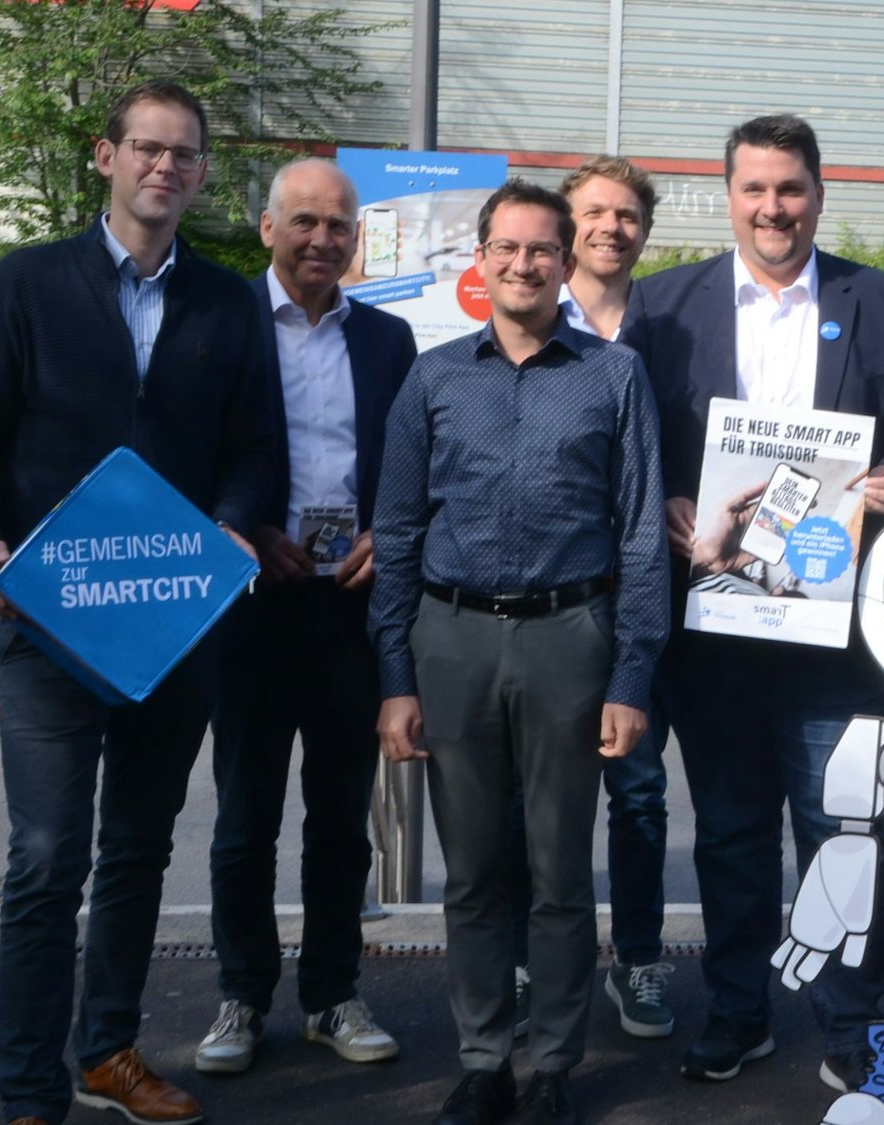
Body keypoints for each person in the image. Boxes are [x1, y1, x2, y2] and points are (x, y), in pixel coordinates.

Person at [0, 79, 276, 1125]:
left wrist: (234, 521)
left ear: (203, 171)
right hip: (50, 621)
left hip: (176, 624)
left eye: (183, 153)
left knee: (137, 845)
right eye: (146, 148)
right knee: (45, 857)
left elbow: (259, 446)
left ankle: (107, 1054)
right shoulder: (32, 284)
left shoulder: (227, 300)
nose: (164, 166)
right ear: (106, 157)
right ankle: (30, 1087)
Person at [629, 114, 884, 1091]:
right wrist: (670, 496)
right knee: (727, 834)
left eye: (791, 189)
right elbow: (631, 435)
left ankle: (849, 1024)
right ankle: (736, 1011)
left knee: (840, 833)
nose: (773, 209)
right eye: (755, 190)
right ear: (727, 196)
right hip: (716, 628)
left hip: (833, 632)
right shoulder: (662, 307)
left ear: (818, 192)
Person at [371, 179, 668, 1125]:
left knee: (556, 871)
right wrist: (394, 678)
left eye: (544, 249)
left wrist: (630, 677)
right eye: (507, 247)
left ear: (565, 260)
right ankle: (483, 1056)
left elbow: (638, 539)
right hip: (450, 636)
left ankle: (550, 1066)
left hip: (568, 639)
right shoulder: (432, 377)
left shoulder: (614, 374)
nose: (524, 263)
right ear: (480, 258)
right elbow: (399, 528)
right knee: (469, 871)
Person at [194, 157, 417, 1076]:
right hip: (249, 605)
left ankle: (331, 991)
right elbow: (184, 452)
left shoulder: (390, 340)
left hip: (349, 608)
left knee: (338, 818)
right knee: (245, 818)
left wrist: (389, 535)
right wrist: (243, 527)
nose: (323, 239)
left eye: (339, 225)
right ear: (266, 227)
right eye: (306, 222)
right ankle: (241, 994)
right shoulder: (214, 324)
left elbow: (414, 464)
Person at [506, 155, 677, 1043]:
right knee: (545, 796)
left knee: (639, 795)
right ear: (566, 234)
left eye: (627, 214)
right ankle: (538, 963)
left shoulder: (678, 321)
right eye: (594, 214)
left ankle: (639, 959)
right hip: (556, 605)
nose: (611, 227)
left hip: (662, 590)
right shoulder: (527, 318)